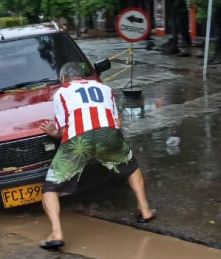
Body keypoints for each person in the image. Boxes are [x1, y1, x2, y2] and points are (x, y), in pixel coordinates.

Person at [36, 62, 155, 249]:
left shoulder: (61, 92)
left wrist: (52, 132)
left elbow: (64, 130)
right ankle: (145, 209)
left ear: (63, 79)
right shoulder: (105, 88)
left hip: (79, 141)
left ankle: (56, 233)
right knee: (131, 167)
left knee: (51, 188)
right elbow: (117, 122)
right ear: (82, 76)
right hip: (108, 135)